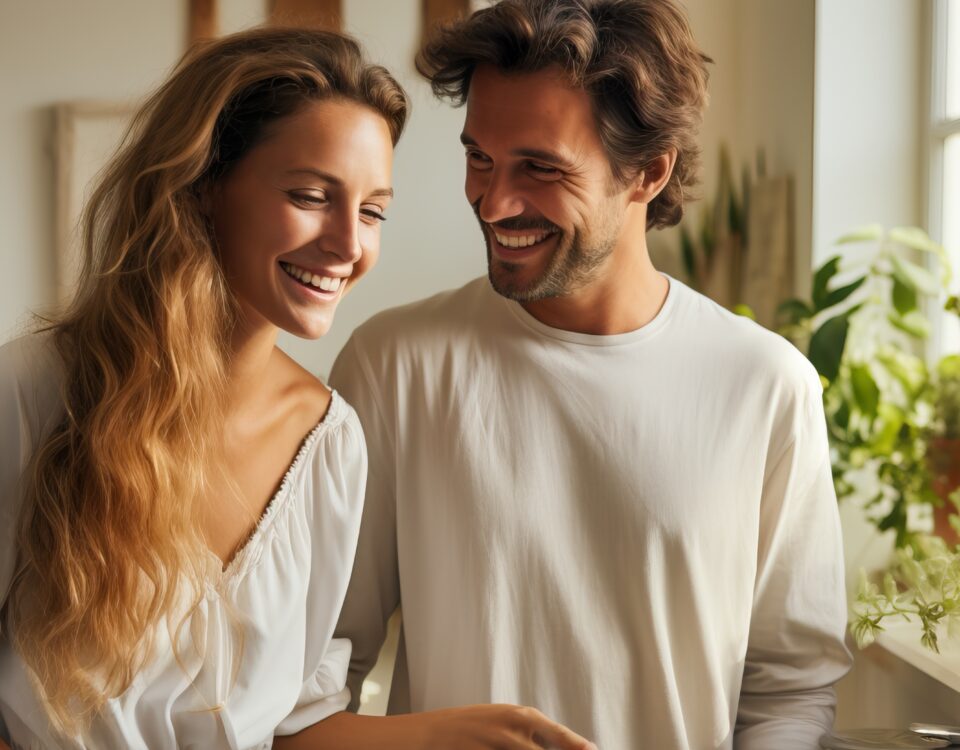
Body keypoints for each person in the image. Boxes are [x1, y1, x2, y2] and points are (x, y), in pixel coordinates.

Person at [0, 26, 594, 750]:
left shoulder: (330, 444)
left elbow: (295, 727)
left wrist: (461, 733)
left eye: (373, 211)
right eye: (313, 195)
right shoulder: (33, 394)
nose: (349, 244)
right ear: (201, 188)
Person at [329, 1, 853, 748]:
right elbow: (320, 667)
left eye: (540, 168)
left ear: (649, 171)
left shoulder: (766, 387)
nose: (493, 199)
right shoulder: (394, 366)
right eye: (479, 156)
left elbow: (791, 689)